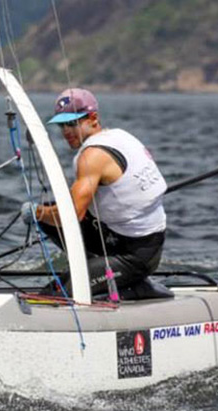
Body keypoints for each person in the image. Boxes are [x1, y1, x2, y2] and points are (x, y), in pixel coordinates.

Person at [29, 88, 166, 297]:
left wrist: (33, 213)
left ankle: (132, 282)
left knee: (60, 294)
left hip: (136, 255)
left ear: (93, 118)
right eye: (61, 125)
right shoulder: (120, 135)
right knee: (49, 211)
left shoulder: (91, 157)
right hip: (124, 238)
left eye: (73, 123)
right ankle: (97, 267)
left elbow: (72, 214)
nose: (66, 131)